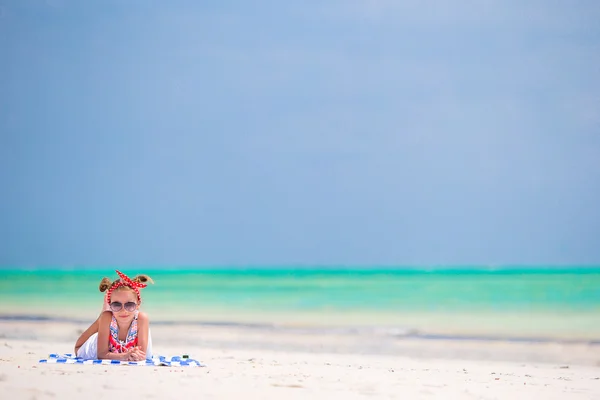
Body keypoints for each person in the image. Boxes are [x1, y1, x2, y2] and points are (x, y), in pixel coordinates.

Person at [74, 270, 153, 361]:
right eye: (116, 305)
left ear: (138, 304)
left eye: (129, 305)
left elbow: (141, 356)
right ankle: (106, 311)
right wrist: (123, 356)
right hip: (82, 348)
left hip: (116, 332)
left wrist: (132, 355)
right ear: (110, 304)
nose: (123, 310)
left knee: (147, 353)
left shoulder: (142, 318)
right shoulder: (107, 318)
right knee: (105, 317)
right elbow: (101, 354)